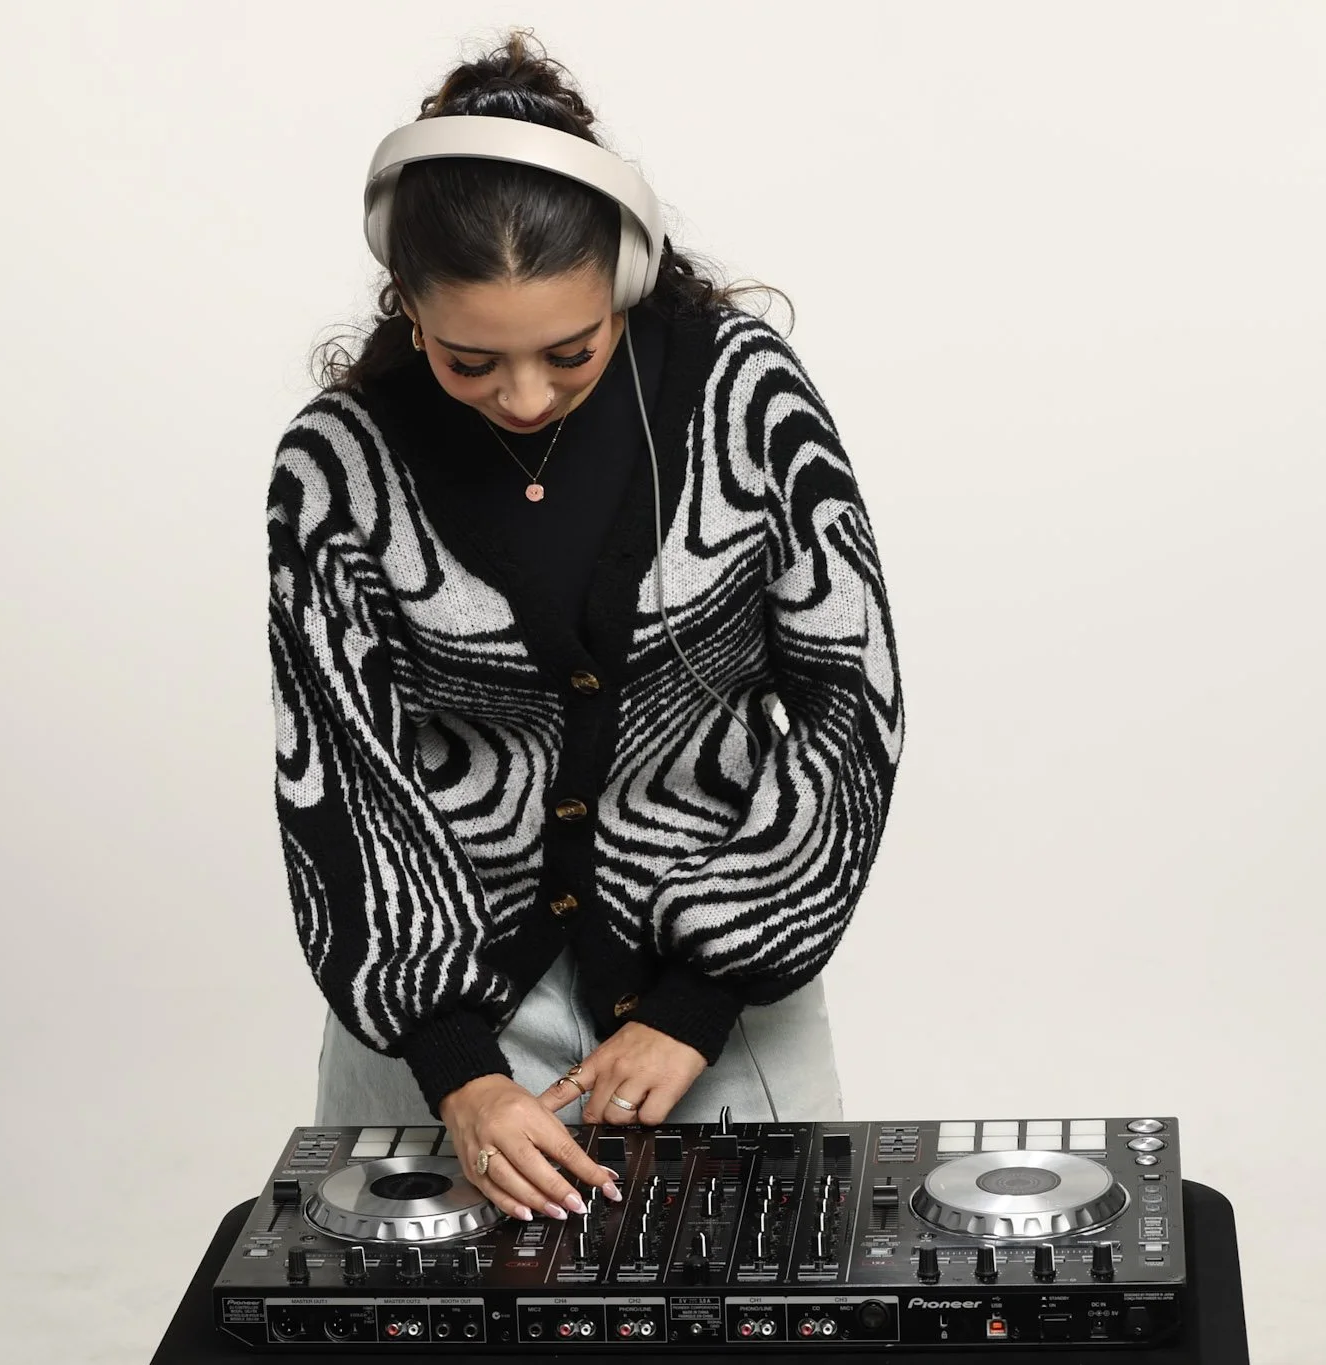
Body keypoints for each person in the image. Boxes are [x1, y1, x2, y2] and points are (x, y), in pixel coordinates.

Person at [265, 30, 904, 1226]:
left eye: (570, 352)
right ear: (404, 304)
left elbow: (847, 696)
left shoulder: (740, 395)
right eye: (467, 360)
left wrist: (700, 998)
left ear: (626, 277)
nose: (520, 397)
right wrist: (456, 1069)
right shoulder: (335, 466)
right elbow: (341, 770)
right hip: (435, 1011)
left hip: (719, 974)